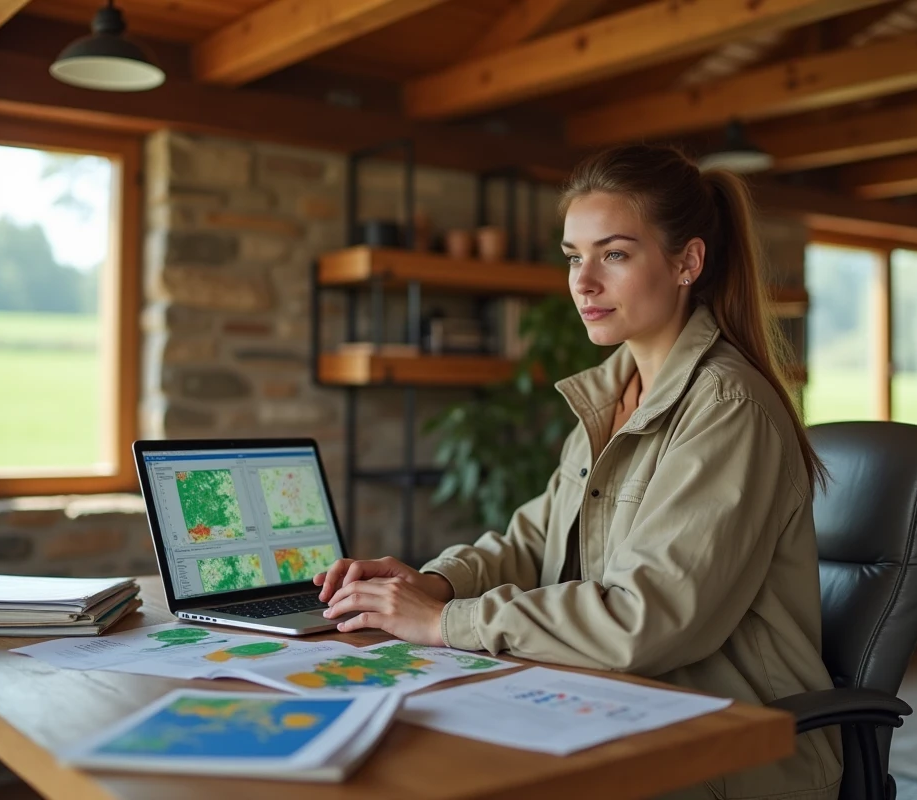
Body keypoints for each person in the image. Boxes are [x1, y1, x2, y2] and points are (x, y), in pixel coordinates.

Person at [313, 144, 842, 800]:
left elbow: (648, 617)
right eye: (573, 257)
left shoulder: (727, 408)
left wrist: (444, 623)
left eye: (614, 254)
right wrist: (434, 581)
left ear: (687, 262)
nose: (582, 282)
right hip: (622, 705)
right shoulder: (616, 392)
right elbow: (532, 543)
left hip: (730, 749)